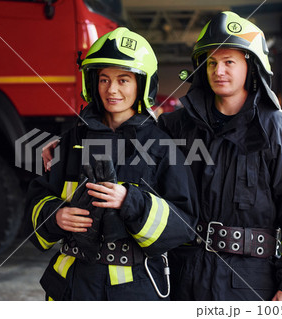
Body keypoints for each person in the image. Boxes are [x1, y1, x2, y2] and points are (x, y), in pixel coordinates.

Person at [157, 11, 282, 301]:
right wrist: (60, 146)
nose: (218, 71)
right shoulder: (175, 127)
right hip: (180, 278)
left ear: (251, 67)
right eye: (211, 62)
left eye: (229, 62)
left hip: (251, 284)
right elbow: (127, 147)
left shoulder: (280, 133)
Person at [25, 27, 198, 301]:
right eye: (104, 79)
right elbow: (36, 197)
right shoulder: (72, 140)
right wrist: (55, 216)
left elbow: (184, 224)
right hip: (70, 288)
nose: (112, 89)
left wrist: (130, 201)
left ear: (142, 84)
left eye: (123, 80)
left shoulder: (162, 145)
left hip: (133, 293)